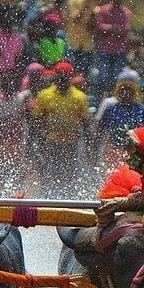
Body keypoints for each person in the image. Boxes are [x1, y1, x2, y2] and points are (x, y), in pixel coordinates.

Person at [32, 62, 89, 195]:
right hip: (50, 142)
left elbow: (86, 123)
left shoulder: (79, 97)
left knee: (69, 173)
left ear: (70, 78)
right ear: (55, 77)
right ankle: (47, 198)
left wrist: (89, 146)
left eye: (65, 76)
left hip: (71, 143)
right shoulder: (44, 95)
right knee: (48, 172)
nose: (62, 79)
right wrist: (36, 144)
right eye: (60, 76)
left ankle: (68, 198)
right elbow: (36, 122)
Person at [96, 77, 144, 166]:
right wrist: (96, 146)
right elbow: (101, 130)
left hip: (135, 150)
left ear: (134, 93)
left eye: (129, 90)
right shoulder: (111, 110)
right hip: (115, 149)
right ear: (118, 93)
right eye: (123, 90)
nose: (126, 93)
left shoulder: (142, 110)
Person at [95, 0, 132, 101]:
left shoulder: (126, 12)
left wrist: (110, 29)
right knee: (103, 78)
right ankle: (99, 101)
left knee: (117, 78)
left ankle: (114, 100)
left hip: (119, 51)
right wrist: (114, 28)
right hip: (105, 50)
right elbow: (100, 27)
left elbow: (126, 29)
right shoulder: (103, 10)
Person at [64, 0, 100, 76]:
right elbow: (75, 20)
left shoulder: (97, 6)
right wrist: (86, 6)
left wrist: (92, 13)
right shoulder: (74, 0)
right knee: (70, 73)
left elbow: (91, 28)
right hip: (73, 43)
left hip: (86, 46)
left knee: (84, 76)